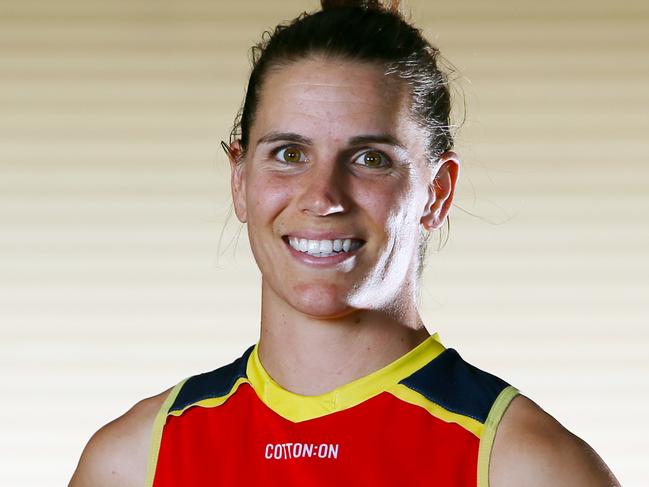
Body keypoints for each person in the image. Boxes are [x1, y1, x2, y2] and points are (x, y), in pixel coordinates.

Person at [69, 1, 620, 486]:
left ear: (437, 193)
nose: (323, 197)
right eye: (289, 153)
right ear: (239, 181)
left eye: (370, 159)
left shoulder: (526, 468)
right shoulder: (132, 462)